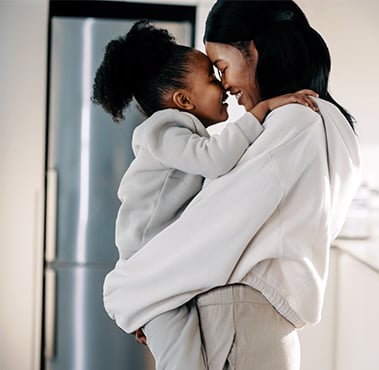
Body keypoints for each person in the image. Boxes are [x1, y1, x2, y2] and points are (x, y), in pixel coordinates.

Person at [103, 1, 362, 369]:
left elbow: (211, 228)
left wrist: (129, 291)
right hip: (256, 325)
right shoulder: (329, 120)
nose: (224, 84)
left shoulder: (294, 120)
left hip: (239, 322)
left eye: (221, 68)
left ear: (253, 49)